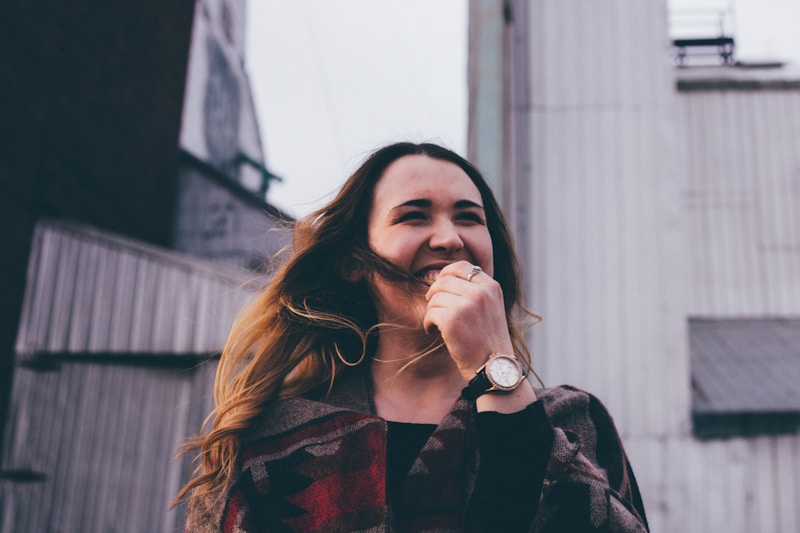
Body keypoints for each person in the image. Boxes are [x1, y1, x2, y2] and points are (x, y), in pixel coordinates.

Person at [176, 142, 649, 532]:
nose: (449, 239)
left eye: (468, 217)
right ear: (353, 261)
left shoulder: (574, 423)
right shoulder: (272, 441)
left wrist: (495, 369)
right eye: (413, 216)